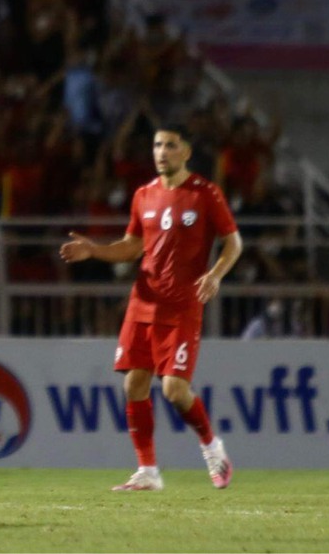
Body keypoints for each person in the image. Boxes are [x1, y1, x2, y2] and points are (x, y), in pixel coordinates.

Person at [59, 123, 243, 491]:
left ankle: (212, 447)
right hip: (143, 302)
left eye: (170, 145)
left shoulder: (206, 194)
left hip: (182, 306)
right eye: (157, 144)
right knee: (134, 384)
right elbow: (131, 246)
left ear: (186, 152)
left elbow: (233, 243)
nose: (161, 152)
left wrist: (217, 274)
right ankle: (148, 471)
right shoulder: (144, 194)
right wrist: (95, 250)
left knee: (174, 390)